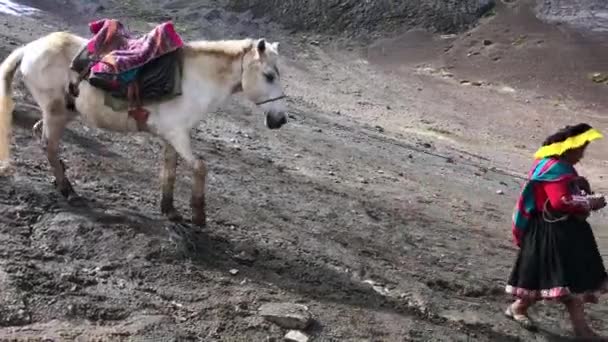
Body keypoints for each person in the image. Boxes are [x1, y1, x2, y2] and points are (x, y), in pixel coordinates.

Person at [506, 123, 608, 338]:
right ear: (568, 149)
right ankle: (582, 330)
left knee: (554, 280)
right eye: (580, 150)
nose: (581, 156)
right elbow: (560, 203)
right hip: (550, 234)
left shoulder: (552, 167)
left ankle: (519, 308)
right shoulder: (556, 170)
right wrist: (590, 203)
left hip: (562, 232)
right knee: (564, 281)